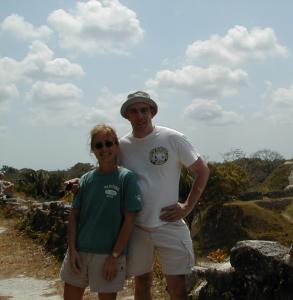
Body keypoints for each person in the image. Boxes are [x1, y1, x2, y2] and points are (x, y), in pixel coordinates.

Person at [119, 91, 209, 300]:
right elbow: (109, 174)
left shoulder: (172, 138)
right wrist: (81, 182)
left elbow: (202, 170)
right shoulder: (122, 146)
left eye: (144, 110)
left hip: (169, 223)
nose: (140, 116)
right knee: (141, 286)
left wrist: (187, 206)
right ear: (127, 115)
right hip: (138, 226)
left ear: (152, 112)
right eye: (134, 111)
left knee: (177, 288)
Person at [60, 124, 142, 300]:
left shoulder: (126, 178)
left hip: (108, 255)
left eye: (109, 143)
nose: (104, 149)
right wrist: (72, 250)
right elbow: (74, 216)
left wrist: (114, 257)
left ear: (116, 146)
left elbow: (130, 220)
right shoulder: (85, 179)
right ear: (92, 150)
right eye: (99, 145)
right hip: (79, 253)